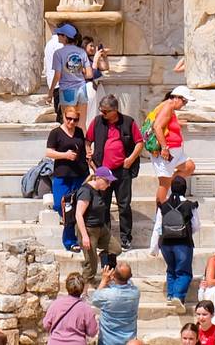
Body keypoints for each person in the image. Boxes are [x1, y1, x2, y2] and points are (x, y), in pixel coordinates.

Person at [87, 95, 144, 251]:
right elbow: (88, 140)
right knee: (102, 205)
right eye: (101, 111)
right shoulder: (97, 122)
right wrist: (89, 155)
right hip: (103, 171)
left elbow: (140, 142)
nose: (102, 114)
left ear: (115, 110)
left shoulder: (128, 122)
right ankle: (105, 238)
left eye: (105, 111)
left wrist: (131, 159)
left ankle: (126, 238)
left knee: (124, 205)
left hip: (122, 170)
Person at [150, 175, 200, 311]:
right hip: (183, 243)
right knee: (184, 272)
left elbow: (158, 227)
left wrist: (154, 248)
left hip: (166, 243)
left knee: (171, 269)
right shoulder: (190, 205)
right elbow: (196, 226)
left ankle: (170, 296)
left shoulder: (164, 206)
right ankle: (178, 296)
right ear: (185, 188)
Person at [45, 106, 90, 250]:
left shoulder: (79, 131)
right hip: (62, 174)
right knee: (61, 205)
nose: (71, 122)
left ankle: (71, 241)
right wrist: (65, 155)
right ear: (63, 117)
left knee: (74, 207)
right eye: (68, 119)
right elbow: (49, 152)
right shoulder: (56, 133)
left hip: (79, 174)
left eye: (75, 120)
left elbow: (83, 149)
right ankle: (67, 224)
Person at [72, 166, 117, 283]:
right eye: (107, 181)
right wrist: (85, 236)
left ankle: (102, 260)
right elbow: (78, 215)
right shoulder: (85, 191)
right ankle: (84, 291)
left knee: (116, 249)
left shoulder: (99, 191)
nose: (109, 184)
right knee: (90, 265)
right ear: (98, 178)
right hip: (88, 230)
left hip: (101, 228)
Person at [151, 87, 196, 203]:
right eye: (184, 101)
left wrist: (177, 123)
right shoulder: (168, 107)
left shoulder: (169, 107)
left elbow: (166, 123)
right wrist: (164, 148)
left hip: (176, 151)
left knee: (189, 166)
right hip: (167, 152)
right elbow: (157, 126)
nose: (184, 105)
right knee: (164, 184)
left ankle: (172, 187)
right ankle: (159, 216)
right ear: (176, 98)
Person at [42, 272, 101, 345]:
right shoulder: (86, 309)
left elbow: (46, 325)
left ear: (67, 287)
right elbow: (92, 332)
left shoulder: (55, 304)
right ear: (82, 289)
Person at [91, 263, 140, 345]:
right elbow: (128, 283)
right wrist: (113, 279)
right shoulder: (135, 292)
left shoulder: (107, 295)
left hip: (107, 341)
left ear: (114, 275)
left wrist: (104, 280)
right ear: (130, 276)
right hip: (128, 340)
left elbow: (95, 299)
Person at [49, 25, 88, 118]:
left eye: (59, 34)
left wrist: (50, 91)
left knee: (68, 122)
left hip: (67, 89)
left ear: (65, 37)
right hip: (82, 89)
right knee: (82, 123)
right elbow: (89, 74)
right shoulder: (82, 52)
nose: (57, 36)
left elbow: (57, 75)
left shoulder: (58, 53)